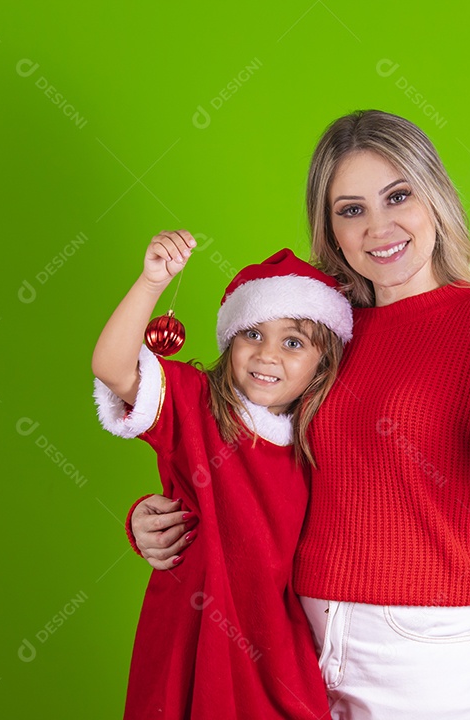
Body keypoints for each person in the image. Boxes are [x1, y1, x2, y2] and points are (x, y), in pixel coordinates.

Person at [126, 111, 470, 719]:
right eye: (351, 209)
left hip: (426, 652)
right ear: (330, 227)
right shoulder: (316, 334)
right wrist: (163, 516)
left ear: (435, 198)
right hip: (292, 637)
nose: (378, 227)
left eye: (398, 196)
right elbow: (233, 447)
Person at [91, 232, 353, 719]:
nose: (266, 354)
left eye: (293, 342)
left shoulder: (321, 442)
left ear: (322, 364)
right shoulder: (195, 403)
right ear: (230, 340)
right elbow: (112, 366)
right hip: (190, 630)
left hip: (275, 648)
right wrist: (152, 284)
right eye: (252, 333)